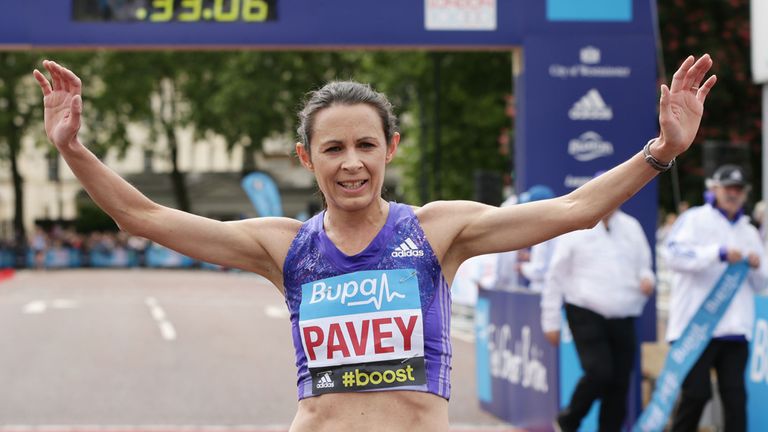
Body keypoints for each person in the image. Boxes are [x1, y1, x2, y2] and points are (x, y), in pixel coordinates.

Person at [33, 54, 715, 432]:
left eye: (366, 144)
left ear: (391, 147)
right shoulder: (282, 246)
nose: (351, 162)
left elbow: (573, 210)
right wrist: (72, 148)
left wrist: (661, 151)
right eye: (333, 148)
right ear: (307, 158)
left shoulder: (438, 231)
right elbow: (144, 217)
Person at [662, 164, 767, 432]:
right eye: (728, 188)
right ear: (714, 189)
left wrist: (757, 266)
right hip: (696, 327)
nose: (733, 193)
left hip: (734, 330)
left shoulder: (749, 231)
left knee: (735, 399)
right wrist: (716, 253)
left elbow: (761, 283)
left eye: (738, 189)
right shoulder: (694, 219)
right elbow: (672, 255)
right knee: (696, 395)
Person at [541, 205, 655, 432]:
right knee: (599, 372)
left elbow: (645, 267)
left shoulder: (631, 227)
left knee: (620, 382)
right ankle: (568, 420)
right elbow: (555, 276)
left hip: (624, 312)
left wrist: (647, 279)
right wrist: (550, 320)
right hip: (585, 309)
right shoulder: (575, 228)